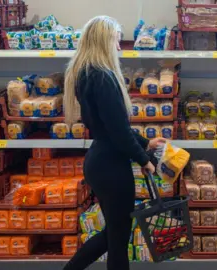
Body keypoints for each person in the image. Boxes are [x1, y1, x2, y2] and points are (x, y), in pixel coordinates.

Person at [62, 16, 165, 270]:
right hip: (111, 166)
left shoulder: (86, 74)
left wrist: (145, 143)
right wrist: (144, 160)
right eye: (116, 41)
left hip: (101, 160)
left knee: (114, 234)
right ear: (104, 41)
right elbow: (118, 132)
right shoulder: (103, 77)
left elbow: (113, 128)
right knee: (118, 239)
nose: (119, 48)